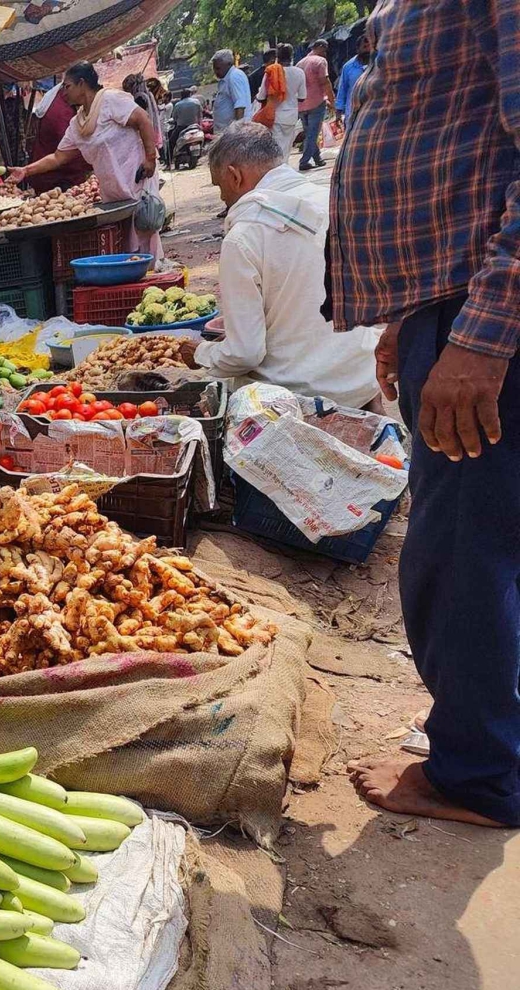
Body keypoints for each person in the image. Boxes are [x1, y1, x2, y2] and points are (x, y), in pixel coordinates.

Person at [332, 0, 519, 829]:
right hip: (449, 302)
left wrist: (479, 339)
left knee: (460, 551)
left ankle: (477, 774)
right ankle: (487, 739)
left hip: (485, 318)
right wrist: (409, 318)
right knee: (482, 542)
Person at [184, 122, 377, 406]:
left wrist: (199, 353)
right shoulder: (336, 201)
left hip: (296, 395)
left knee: (219, 381)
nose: (223, 199)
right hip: (361, 380)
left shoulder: (244, 235)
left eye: (220, 187)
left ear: (234, 176)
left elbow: (245, 353)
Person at [7, 61, 162, 259]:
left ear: (82, 84)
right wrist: (26, 170)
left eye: (67, 86)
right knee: (124, 243)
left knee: (144, 233)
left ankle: (151, 278)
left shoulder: (110, 100)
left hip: (136, 178)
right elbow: (57, 157)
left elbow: (143, 120)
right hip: (113, 192)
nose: (64, 92)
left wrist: (150, 159)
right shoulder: (78, 123)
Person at [28, 81, 94, 192]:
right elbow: (66, 154)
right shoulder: (62, 113)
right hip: (56, 179)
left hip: (55, 173)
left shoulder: (62, 101)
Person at [256, 45, 305, 156]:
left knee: (276, 150)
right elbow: (302, 97)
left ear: (277, 56)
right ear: (292, 56)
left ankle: (279, 170)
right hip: (291, 117)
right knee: (286, 149)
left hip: (274, 117)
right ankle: (284, 169)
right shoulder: (299, 72)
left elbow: (261, 97)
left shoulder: (271, 72)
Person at [296, 39, 334, 169]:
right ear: (320, 47)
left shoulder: (299, 63)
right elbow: (325, 82)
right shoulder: (320, 62)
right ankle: (304, 161)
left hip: (301, 104)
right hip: (316, 102)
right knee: (313, 134)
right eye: (325, 49)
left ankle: (317, 159)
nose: (326, 52)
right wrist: (332, 100)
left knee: (310, 133)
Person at [335, 32, 373, 126]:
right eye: (364, 47)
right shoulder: (348, 67)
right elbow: (342, 90)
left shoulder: (379, 62)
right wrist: (338, 112)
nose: (368, 50)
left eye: (370, 47)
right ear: (358, 49)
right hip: (354, 114)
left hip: (374, 111)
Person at [212, 50, 251, 128]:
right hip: (225, 130)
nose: (215, 71)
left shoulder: (234, 76)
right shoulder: (227, 78)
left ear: (229, 64)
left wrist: (237, 131)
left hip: (232, 132)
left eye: (218, 68)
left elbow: (240, 104)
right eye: (214, 68)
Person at [165, 87, 203, 167]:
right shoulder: (196, 102)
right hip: (195, 126)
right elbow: (200, 114)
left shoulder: (178, 104)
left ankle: (168, 164)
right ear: (190, 94)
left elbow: (175, 118)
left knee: (171, 143)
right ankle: (201, 156)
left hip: (181, 127)